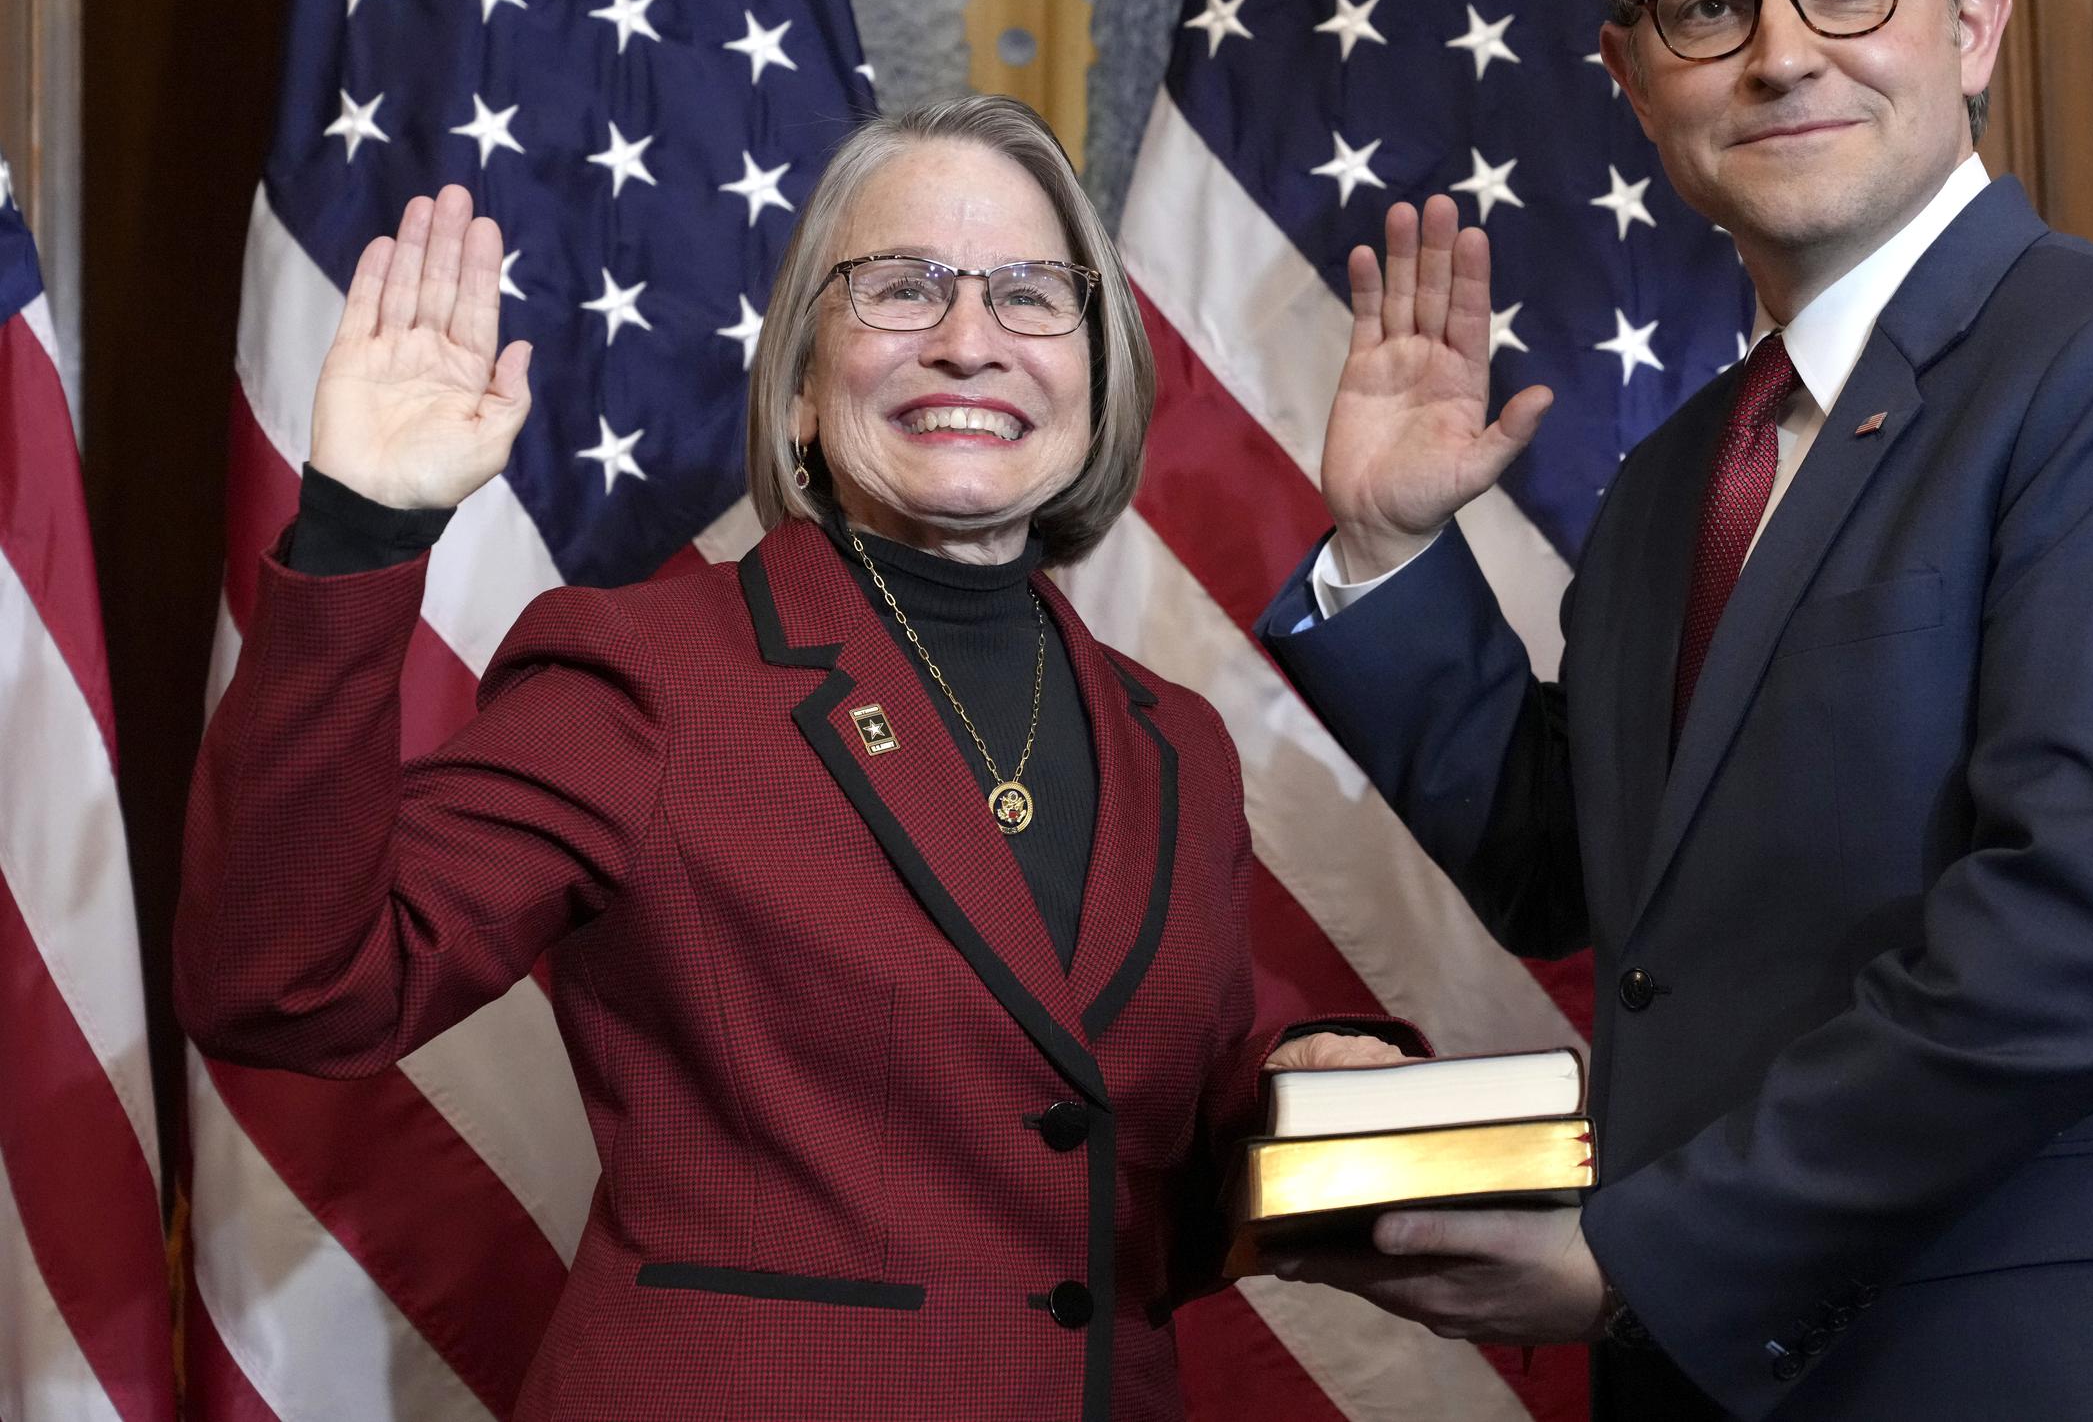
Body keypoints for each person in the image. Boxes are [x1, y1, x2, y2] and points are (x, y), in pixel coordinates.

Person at [1255, 0, 2093, 1422]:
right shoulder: (1681, 476)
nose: (1781, 55)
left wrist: (1646, 1253)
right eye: (1706, 8)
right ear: (1633, 77)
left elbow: (2082, 934)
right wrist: (1397, 550)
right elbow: (1582, 876)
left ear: (1969, 24)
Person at [177, 94, 1407, 1421]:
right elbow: (288, 986)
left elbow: (1139, 1113)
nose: (967, 341)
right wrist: (363, 528)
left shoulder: (1175, 740)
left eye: (1030, 295)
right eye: (901, 287)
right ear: (806, 382)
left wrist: (1313, 1072)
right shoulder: (647, 672)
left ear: (1098, 373)